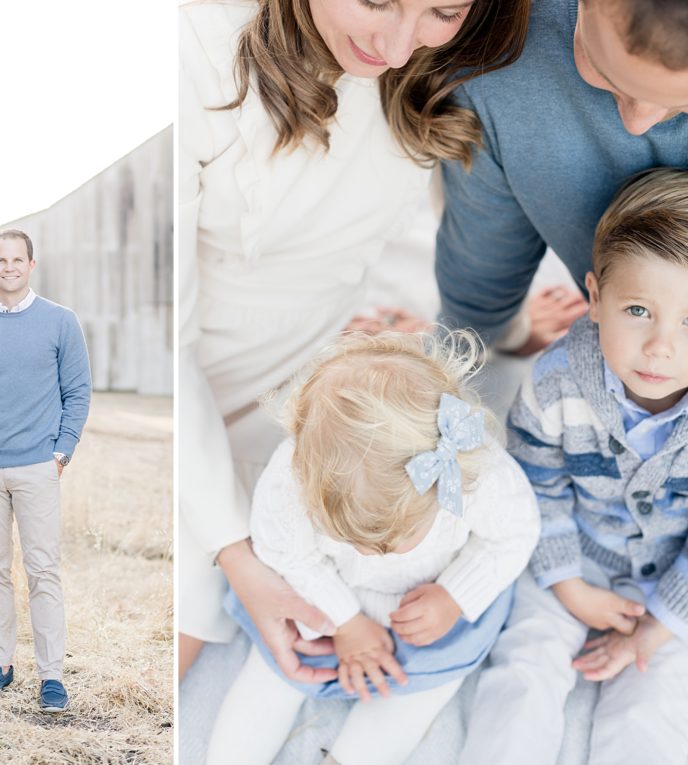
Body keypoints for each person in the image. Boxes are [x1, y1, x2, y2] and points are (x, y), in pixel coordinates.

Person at [179, 0, 532, 680]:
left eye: (443, 10)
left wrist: (505, 328)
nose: (398, 49)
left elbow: (451, 231)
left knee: (220, 615)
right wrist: (236, 553)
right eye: (376, 1)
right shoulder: (195, 44)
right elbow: (168, 340)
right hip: (185, 392)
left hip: (316, 405)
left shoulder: (441, 63)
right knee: (194, 605)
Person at [206, 331, 539, 764]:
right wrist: (345, 620)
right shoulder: (292, 479)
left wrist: (455, 595)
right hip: (325, 593)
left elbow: (513, 535)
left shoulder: (476, 472)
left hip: (429, 603)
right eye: (352, 538)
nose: (371, 554)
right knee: (274, 670)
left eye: (393, 539)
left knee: (416, 691)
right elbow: (287, 554)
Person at [459, 168, 688, 764]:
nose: (662, 345)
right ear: (594, 297)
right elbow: (535, 486)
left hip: (674, 582)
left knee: (655, 703)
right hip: (572, 553)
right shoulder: (557, 381)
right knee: (525, 668)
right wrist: (569, 585)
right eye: (638, 309)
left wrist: (658, 623)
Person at [436, 0, 688, 353]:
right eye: (606, 74)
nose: (636, 124)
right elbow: (482, 269)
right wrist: (462, 343)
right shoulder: (497, 62)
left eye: (681, 103)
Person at [0, 229, 91, 712]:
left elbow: (78, 393)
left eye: (18, 259)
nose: (9, 267)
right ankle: (0, 665)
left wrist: (61, 453)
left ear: (32, 265)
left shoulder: (60, 321)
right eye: (0, 260)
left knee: (43, 570)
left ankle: (51, 675)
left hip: (36, 466)